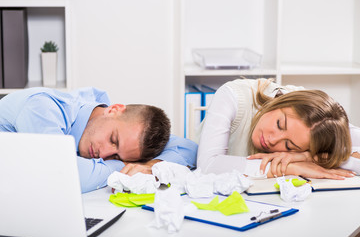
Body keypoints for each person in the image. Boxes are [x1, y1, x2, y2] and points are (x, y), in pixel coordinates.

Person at [0, 87, 198, 193]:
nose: (104, 154)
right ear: (114, 109)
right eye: (113, 140)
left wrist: (154, 165)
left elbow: (188, 148)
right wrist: (124, 168)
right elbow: (63, 174)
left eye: (116, 156)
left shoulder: (110, 124)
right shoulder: (41, 107)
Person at [196, 78, 360, 179]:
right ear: (281, 102)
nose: (272, 140)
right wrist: (289, 168)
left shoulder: (325, 122)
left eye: (289, 146)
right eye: (279, 124)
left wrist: (310, 157)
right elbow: (208, 165)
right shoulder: (232, 95)